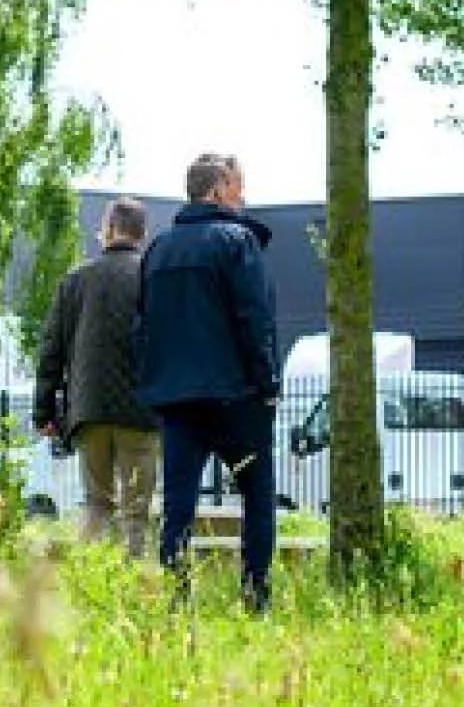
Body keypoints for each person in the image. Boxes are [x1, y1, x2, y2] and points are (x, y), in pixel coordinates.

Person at [135, 153, 280, 611]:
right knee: (257, 495)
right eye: (238, 185)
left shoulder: (158, 249)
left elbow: (142, 326)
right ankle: (255, 596)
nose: (244, 195)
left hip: (177, 400)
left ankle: (178, 599)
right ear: (217, 189)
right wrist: (267, 381)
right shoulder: (238, 241)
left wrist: (152, 383)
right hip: (234, 396)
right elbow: (254, 318)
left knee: (178, 503)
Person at [34, 197, 160, 556]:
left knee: (96, 504)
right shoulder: (152, 277)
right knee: (137, 510)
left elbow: (51, 351)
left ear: (108, 229)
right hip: (141, 411)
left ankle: (90, 580)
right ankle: (137, 588)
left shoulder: (75, 280)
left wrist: (44, 412)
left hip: (88, 410)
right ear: (142, 233)